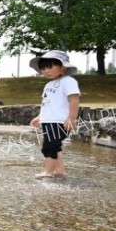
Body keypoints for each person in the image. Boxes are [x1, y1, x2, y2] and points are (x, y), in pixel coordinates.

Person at [29, 50, 80, 179]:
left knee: (48, 147)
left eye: (50, 66)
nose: (46, 71)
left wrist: (71, 118)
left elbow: (74, 99)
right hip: (48, 121)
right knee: (55, 146)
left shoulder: (68, 81)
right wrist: (40, 117)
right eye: (43, 68)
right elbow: (46, 103)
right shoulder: (48, 85)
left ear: (62, 67)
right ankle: (59, 170)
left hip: (60, 121)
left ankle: (48, 172)